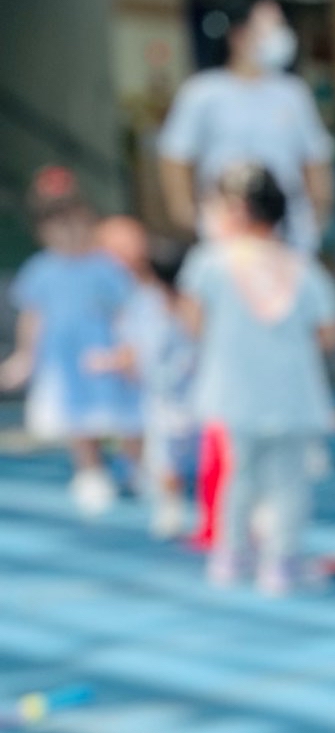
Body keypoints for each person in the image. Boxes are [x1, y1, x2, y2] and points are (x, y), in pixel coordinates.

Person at [178, 162, 335, 593]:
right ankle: (281, 562)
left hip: (234, 391)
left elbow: (191, 321)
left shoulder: (209, 262)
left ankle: (230, 556)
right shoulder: (303, 267)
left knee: (239, 474)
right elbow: (329, 333)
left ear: (235, 209)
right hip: (292, 392)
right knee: (289, 480)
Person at [0, 179, 141, 514]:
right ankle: (90, 471)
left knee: (126, 416)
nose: (69, 232)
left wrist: (127, 352)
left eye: (75, 222)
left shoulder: (106, 267)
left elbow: (126, 313)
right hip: (65, 362)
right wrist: (25, 356)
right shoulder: (41, 270)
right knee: (79, 420)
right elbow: (33, 317)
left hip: (104, 358)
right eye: (58, 225)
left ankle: (136, 466)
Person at [157, 0, 335, 253]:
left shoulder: (293, 93)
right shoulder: (202, 92)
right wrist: (188, 216)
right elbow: (175, 155)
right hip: (226, 229)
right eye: (268, 28)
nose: (278, 36)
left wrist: (316, 218)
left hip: (288, 231)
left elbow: (316, 158)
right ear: (238, 35)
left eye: (280, 26)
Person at [97, 215, 196, 539]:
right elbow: (133, 348)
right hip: (161, 398)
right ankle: (168, 504)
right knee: (164, 456)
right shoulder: (141, 303)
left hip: (200, 395)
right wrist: (115, 363)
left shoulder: (194, 305)